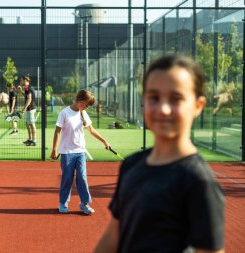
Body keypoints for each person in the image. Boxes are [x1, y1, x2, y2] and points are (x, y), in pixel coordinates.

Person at [94, 55, 225, 253]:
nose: (163, 109)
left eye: (176, 99)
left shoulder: (198, 181)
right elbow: (114, 234)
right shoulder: (131, 164)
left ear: (198, 106)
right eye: (154, 98)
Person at [51, 89, 111, 215]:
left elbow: (91, 130)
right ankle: (63, 203)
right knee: (67, 178)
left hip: (80, 152)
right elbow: (57, 131)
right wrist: (54, 149)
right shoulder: (64, 113)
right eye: (87, 104)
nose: (88, 107)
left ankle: (84, 204)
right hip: (67, 152)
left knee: (82, 178)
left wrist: (104, 141)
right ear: (80, 100)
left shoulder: (83, 113)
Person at [20, 75, 37, 146]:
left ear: (25, 80)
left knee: (32, 124)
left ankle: (34, 141)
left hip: (31, 108)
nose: (20, 81)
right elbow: (27, 96)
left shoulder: (29, 88)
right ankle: (30, 139)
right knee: (27, 124)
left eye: (21, 80)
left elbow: (29, 99)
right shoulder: (26, 88)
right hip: (28, 109)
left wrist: (24, 108)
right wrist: (20, 91)